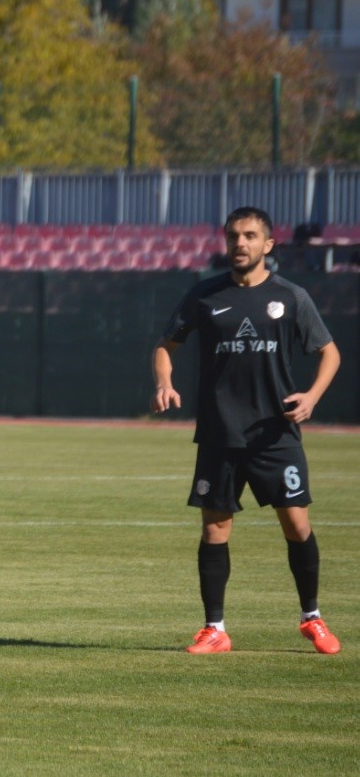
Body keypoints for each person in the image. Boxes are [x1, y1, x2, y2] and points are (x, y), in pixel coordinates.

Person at [151, 206, 342, 655]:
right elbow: (165, 345)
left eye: (251, 236)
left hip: (275, 435)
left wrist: (311, 397)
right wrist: (164, 381)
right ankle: (214, 629)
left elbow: (329, 352)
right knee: (215, 531)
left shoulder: (290, 297)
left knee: (297, 526)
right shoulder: (204, 294)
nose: (241, 243)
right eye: (234, 235)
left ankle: (311, 618)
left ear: (268, 245)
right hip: (219, 434)